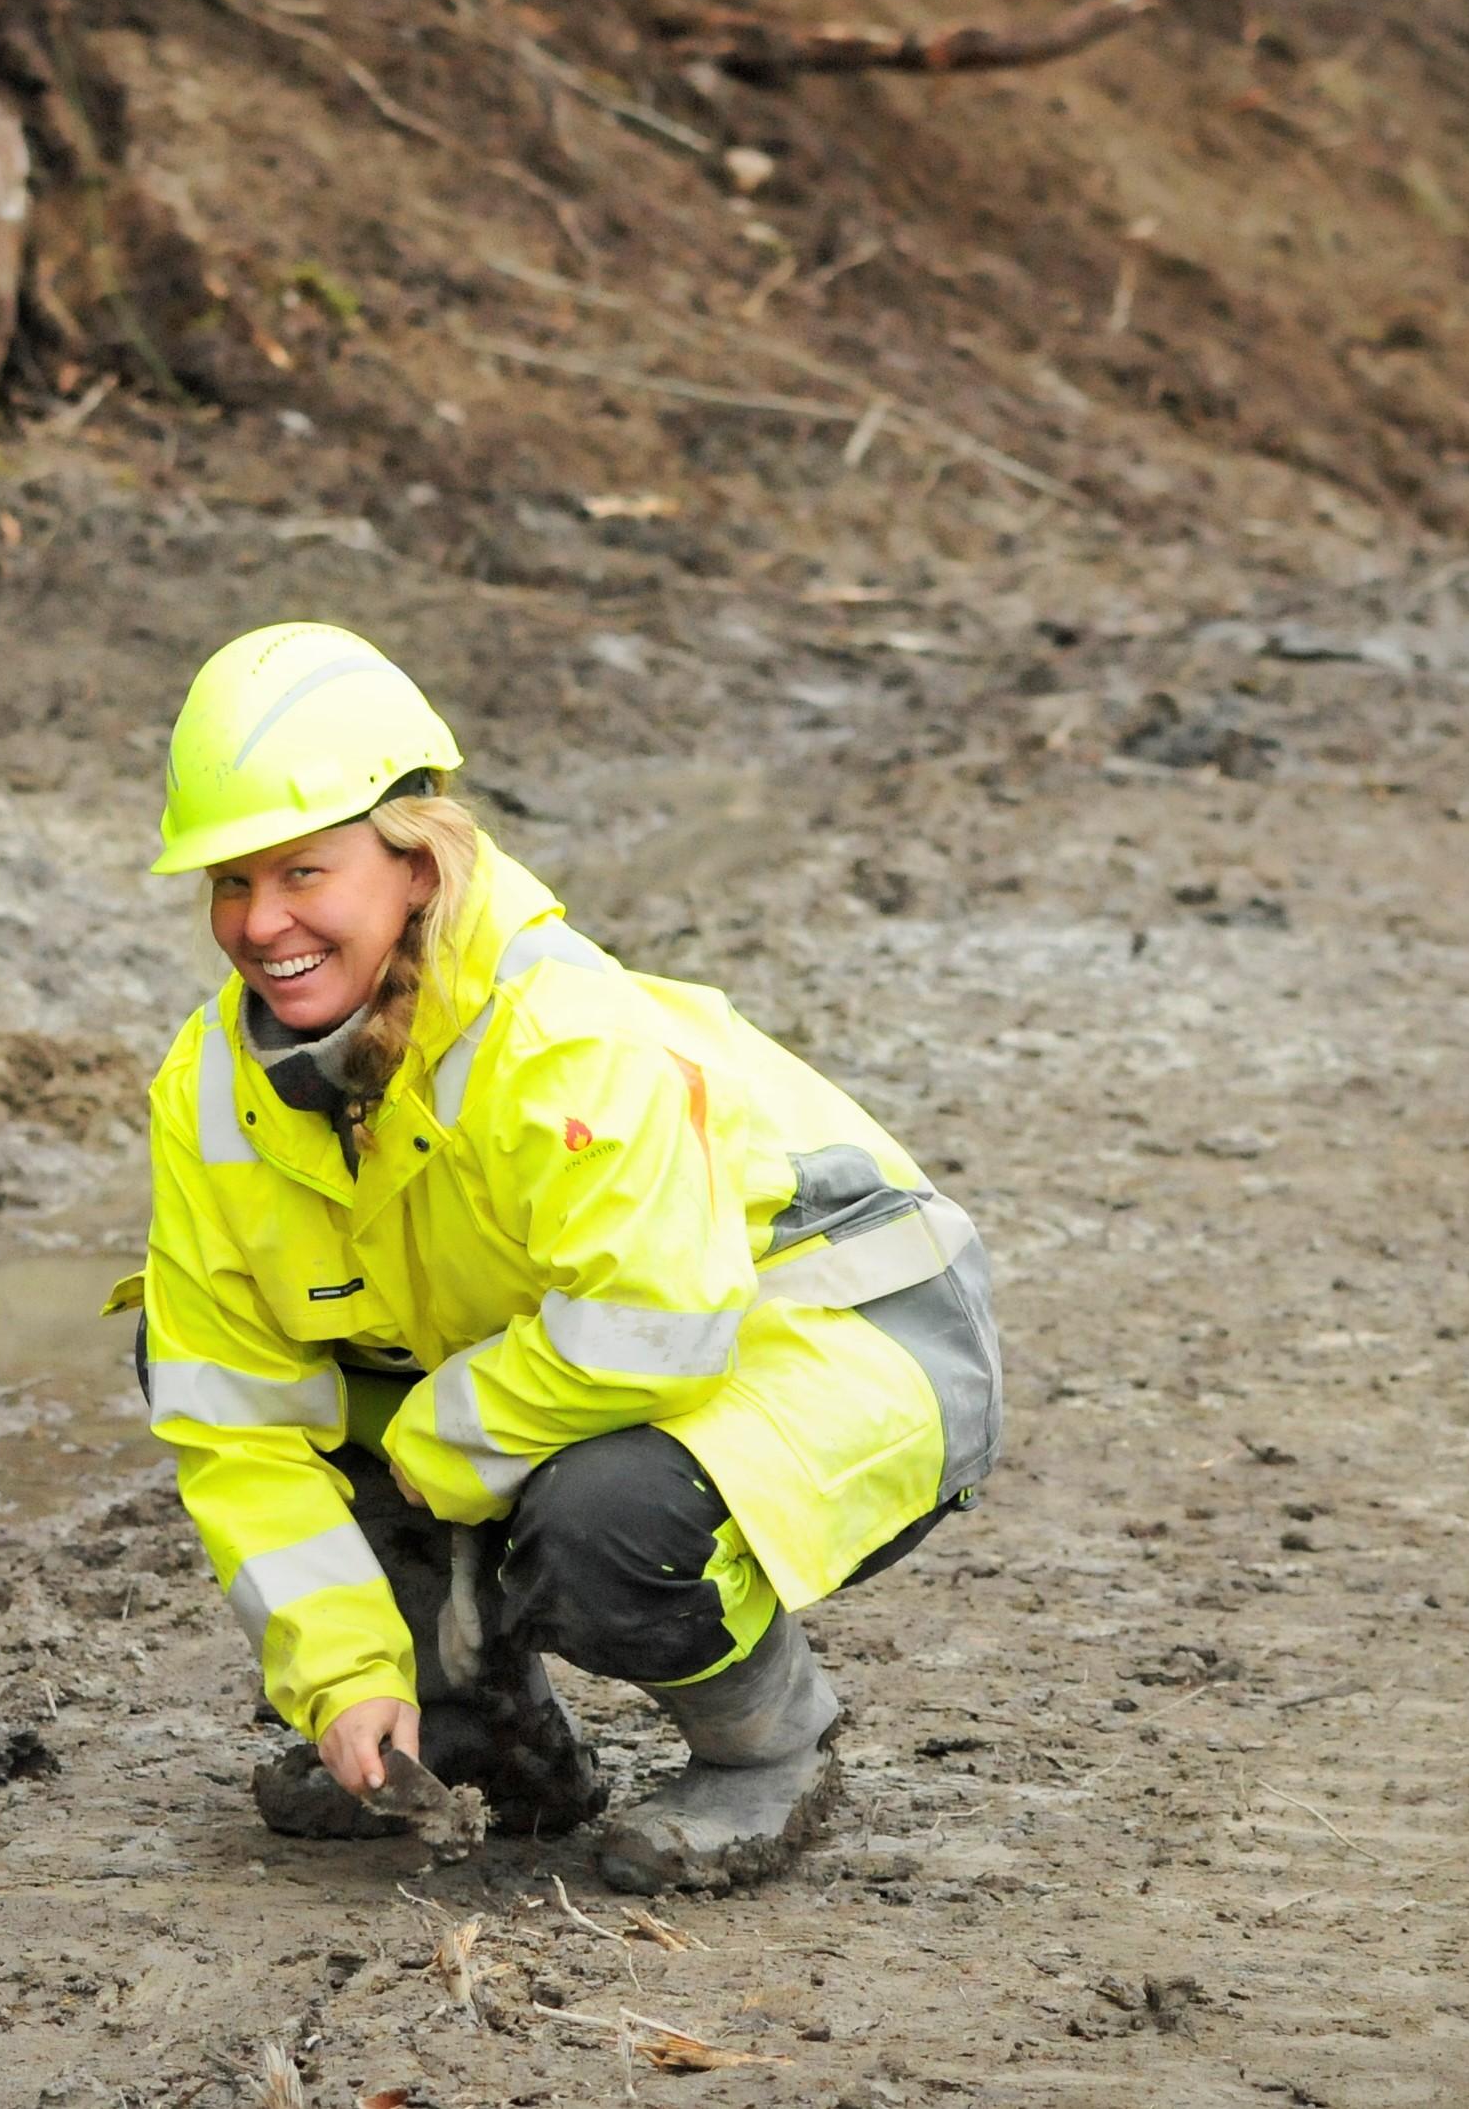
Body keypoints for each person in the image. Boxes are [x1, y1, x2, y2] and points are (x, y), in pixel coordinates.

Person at [116, 623, 1002, 1893]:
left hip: (849, 1333)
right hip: (578, 1355)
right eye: (228, 884)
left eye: (302, 872)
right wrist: (346, 1673)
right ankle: (476, 1735)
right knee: (227, 1367)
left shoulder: (554, 1030)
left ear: (414, 865)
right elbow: (237, 1424)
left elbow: (653, 1321)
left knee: (600, 1512)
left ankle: (765, 1746)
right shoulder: (211, 1093)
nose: (260, 923)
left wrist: (440, 1441)